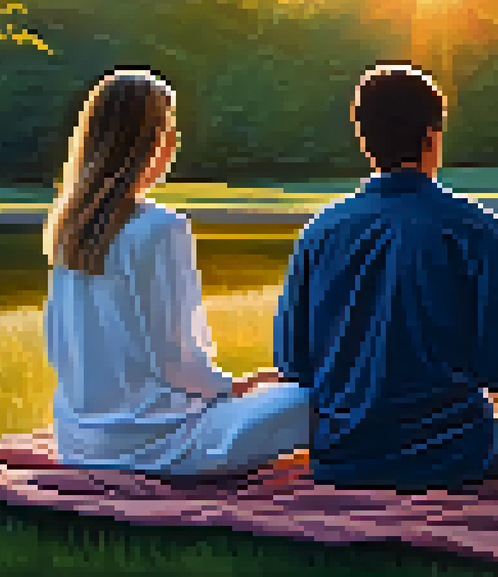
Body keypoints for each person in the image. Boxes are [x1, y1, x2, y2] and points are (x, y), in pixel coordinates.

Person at [274, 62, 498, 491]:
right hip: (456, 455)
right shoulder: (475, 227)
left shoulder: (319, 231)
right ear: (432, 137)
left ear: (364, 140)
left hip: (344, 456)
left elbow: (294, 364)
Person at [43, 67, 310, 476]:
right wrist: (232, 388)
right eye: (168, 129)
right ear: (150, 141)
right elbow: (176, 360)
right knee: (308, 398)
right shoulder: (160, 228)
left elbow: (57, 346)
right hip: (161, 443)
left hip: (78, 443)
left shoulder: (67, 229)